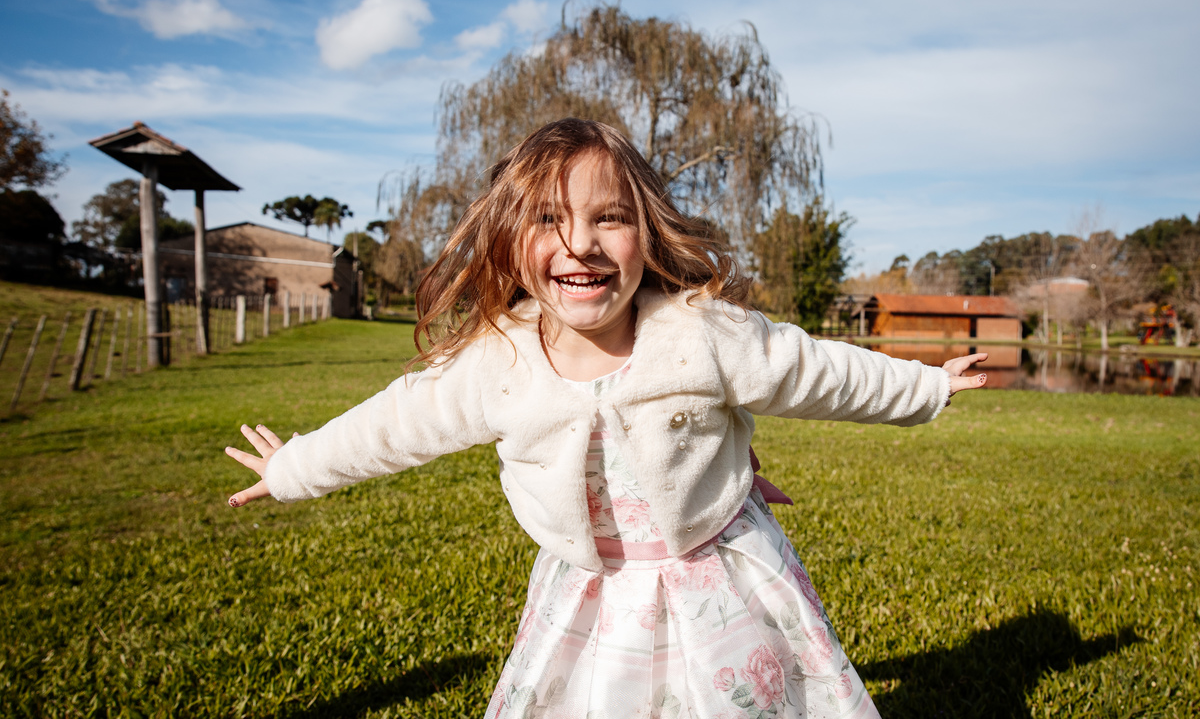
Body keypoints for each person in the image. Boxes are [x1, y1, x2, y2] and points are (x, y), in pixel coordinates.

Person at [225, 118, 987, 718]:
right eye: (549, 219)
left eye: (609, 218)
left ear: (647, 231)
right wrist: (293, 468)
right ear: (509, 238)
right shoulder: (498, 361)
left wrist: (923, 387)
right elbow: (393, 425)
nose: (579, 245)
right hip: (589, 588)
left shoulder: (700, 333)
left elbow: (814, 369)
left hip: (717, 572)